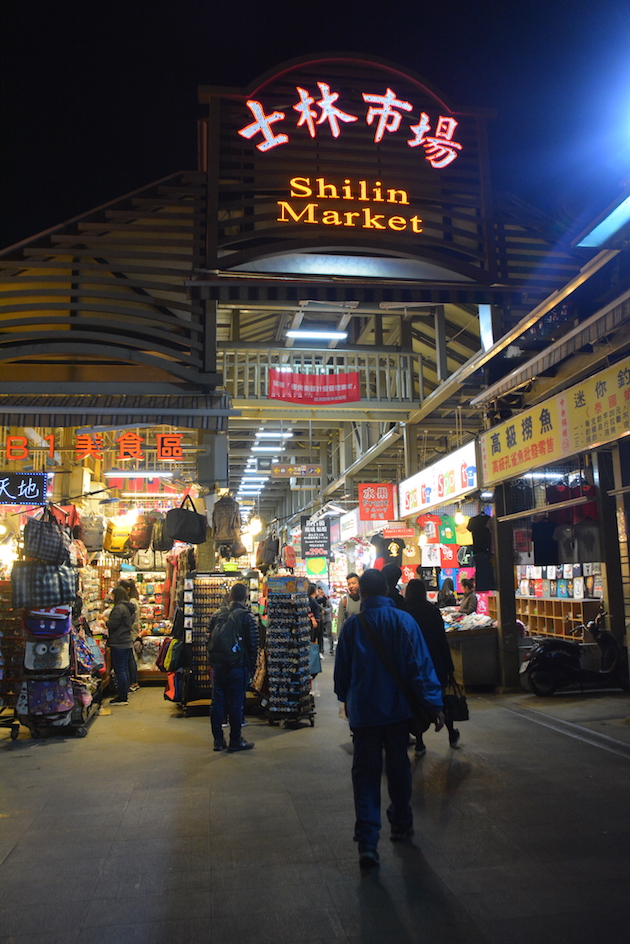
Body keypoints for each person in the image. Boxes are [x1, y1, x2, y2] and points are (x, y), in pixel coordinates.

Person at [334, 569, 444, 869]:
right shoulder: (404, 621)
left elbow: (341, 673)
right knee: (398, 767)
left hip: (365, 713)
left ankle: (368, 842)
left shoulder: (353, 627)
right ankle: (400, 822)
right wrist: (434, 703)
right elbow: (420, 665)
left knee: (366, 774)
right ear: (385, 589)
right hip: (397, 712)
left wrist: (346, 696)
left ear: (364, 593)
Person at [404, 578, 460, 750]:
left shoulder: (404, 613)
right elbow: (441, 639)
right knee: (442, 699)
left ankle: (420, 742)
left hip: (413, 663)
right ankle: (451, 733)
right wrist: (449, 665)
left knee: (416, 700)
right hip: (435, 660)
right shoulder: (432, 611)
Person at [208, 583, 259, 753]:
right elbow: (253, 645)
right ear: (246, 598)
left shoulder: (217, 615)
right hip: (238, 666)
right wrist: (251, 669)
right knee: (236, 704)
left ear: (230, 597)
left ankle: (218, 740)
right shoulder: (247, 617)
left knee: (217, 703)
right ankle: (235, 739)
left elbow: (209, 639)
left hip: (219, 666)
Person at [106, 586, 136, 706]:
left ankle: (122, 697)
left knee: (121, 670)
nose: (111, 598)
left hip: (119, 642)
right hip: (126, 641)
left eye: (113, 596)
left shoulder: (119, 608)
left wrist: (105, 620)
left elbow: (113, 624)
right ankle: (124, 693)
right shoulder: (128, 607)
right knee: (124, 669)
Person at [119, 578, 141, 693]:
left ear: (127, 589)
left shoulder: (131, 602)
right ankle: (134, 681)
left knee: (130, 658)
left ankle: (133, 682)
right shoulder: (134, 600)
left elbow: (131, 619)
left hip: (130, 632)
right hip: (133, 631)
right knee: (131, 658)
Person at [316, 587, 334, 654]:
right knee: (320, 635)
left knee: (329, 633)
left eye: (321, 591)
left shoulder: (326, 599)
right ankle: (321, 649)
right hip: (320, 618)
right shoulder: (317, 599)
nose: (321, 592)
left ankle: (331, 648)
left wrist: (325, 611)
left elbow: (331, 607)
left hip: (327, 618)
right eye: (319, 591)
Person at [307, 583, 323, 655]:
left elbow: (321, 601)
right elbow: (309, 609)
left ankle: (316, 652)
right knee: (313, 637)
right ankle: (313, 653)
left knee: (317, 637)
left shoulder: (314, 599)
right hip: (314, 621)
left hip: (317, 620)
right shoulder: (310, 599)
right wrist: (313, 619)